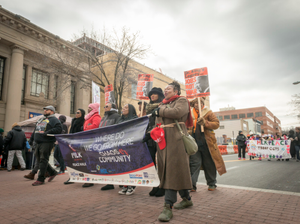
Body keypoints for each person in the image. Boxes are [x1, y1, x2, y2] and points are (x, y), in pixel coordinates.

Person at [151, 81, 193, 222]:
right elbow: (158, 121)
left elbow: (177, 112)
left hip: (177, 140)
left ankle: (168, 206)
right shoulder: (162, 104)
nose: (166, 90)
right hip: (163, 141)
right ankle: (186, 199)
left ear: (176, 90)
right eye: (165, 89)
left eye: (168, 88)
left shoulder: (182, 100)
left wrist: (159, 110)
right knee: (172, 170)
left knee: (172, 171)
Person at [189, 98, 226, 193]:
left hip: (207, 142)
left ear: (202, 104)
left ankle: (212, 183)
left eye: (200, 102)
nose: (198, 104)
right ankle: (192, 185)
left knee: (209, 163)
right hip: (194, 142)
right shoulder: (189, 114)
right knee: (194, 164)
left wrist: (205, 123)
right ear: (193, 105)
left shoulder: (208, 112)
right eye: (195, 103)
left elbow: (216, 124)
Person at [29, 105, 62, 186]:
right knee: (40, 160)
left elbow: (59, 129)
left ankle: (41, 179)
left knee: (43, 159)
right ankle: (53, 172)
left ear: (52, 111)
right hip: (38, 142)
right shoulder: (41, 119)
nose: (45, 111)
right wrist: (31, 139)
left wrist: (48, 132)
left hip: (47, 142)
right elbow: (36, 130)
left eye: (47, 110)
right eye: (45, 109)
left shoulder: (54, 120)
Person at [144, 87, 165, 197]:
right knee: (152, 163)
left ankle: (163, 186)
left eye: (155, 94)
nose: (152, 96)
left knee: (162, 163)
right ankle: (156, 185)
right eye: (151, 94)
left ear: (160, 95)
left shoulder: (163, 105)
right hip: (150, 138)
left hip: (159, 136)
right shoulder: (147, 108)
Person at [118, 104, 138, 195]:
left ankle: (131, 186)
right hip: (121, 145)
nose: (123, 109)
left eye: (126, 108)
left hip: (131, 146)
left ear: (131, 110)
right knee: (123, 166)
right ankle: (125, 185)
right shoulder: (120, 120)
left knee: (131, 166)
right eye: (123, 107)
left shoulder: (135, 119)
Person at [99, 102, 121, 190]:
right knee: (107, 163)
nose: (105, 107)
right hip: (104, 143)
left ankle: (121, 181)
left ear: (112, 108)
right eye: (104, 106)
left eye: (107, 106)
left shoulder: (116, 116)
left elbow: (118, 129)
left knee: (115, 163)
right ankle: (110, 183)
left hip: (112, 143)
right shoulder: (104, 117)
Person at [64, 109, 86, 185]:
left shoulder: (84, 121)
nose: (76, 114)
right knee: (72, 160)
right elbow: (71, 131)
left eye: (78, 113)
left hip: (80, 143)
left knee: (82, 160)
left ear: (82, 114)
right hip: (72, 143)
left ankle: (85, 177)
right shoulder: (73, 121)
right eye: (76, 112)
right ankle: (72, 177)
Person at [82, 103, 101, 188]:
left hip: (92, 140)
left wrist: (86, 128)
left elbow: (95, 126)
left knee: (92, 159)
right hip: (87, 139)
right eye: (88, 107)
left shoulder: (96, 116)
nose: (88, 109)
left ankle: (92, 179)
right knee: (87, 159)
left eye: (90, 108)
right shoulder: (88, 117)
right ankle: (90, 177)